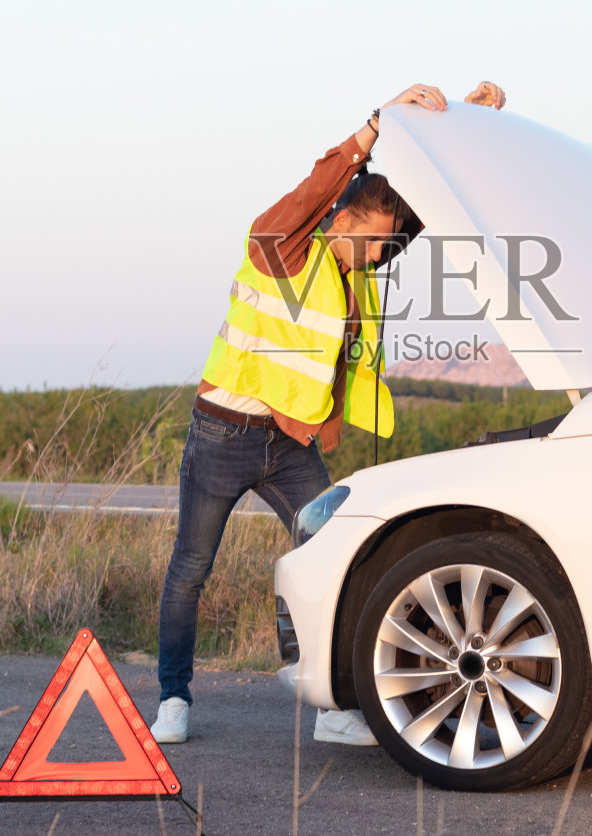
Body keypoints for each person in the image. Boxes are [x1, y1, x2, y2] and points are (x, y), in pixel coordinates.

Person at [152, 80, 508, 746]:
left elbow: (416, 214)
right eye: (372, 242)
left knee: (342, 556)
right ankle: (174, 697)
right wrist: (373, 127)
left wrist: (463, 127)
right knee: (191, 567)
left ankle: (330, 708)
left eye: (385, 246)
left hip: (289, 446)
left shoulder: (360, 265)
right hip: (222, 432)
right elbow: (308, 195)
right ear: (339, 220)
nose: (381, 257)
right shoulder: (283, 250)